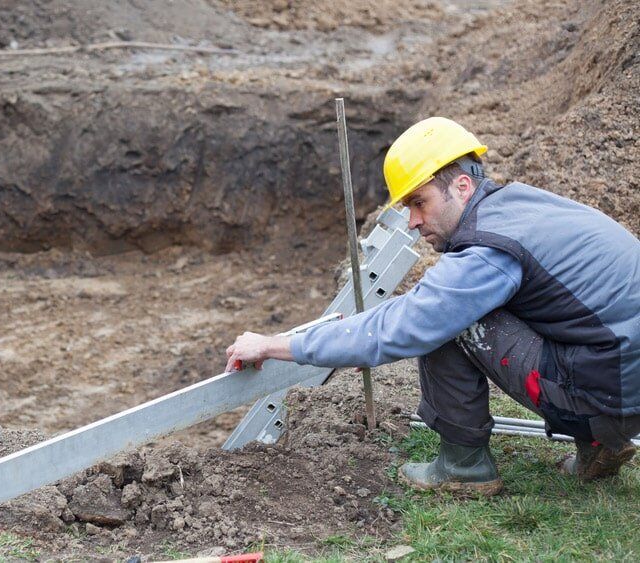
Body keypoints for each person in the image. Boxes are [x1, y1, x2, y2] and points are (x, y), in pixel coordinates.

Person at [224, 117, 640, 495]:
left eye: (419, 202)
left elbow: (407, 324)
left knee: (451, 322)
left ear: (461, 186)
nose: (412, 221)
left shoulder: (488, 251)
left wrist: (275, 344)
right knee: (480, 310)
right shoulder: (520, 206)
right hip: (620, 377)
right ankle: (603, 445)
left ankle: (464, 467)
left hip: (610, 397)